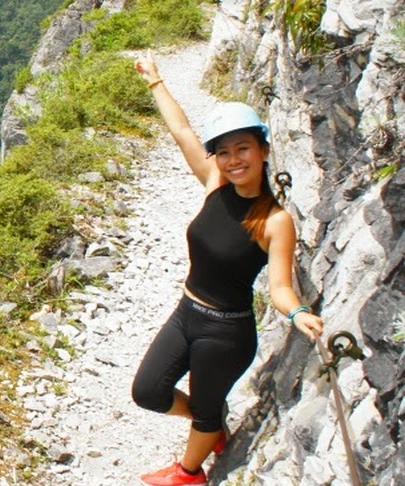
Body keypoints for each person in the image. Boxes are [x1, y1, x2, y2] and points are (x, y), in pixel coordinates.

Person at [128, 52, 325, 486]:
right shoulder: (216, 185)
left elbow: (279, 286)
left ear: (263, 150)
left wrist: (296, 313)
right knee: (148, 391)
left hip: (226, 332)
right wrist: (155, 81)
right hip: (187, 313)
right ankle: (211, 423)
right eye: (224, 152)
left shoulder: (275, 220)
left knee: (205, 404)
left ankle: (189, 473)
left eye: (243, 149)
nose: (234, 160)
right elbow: (182, 133)